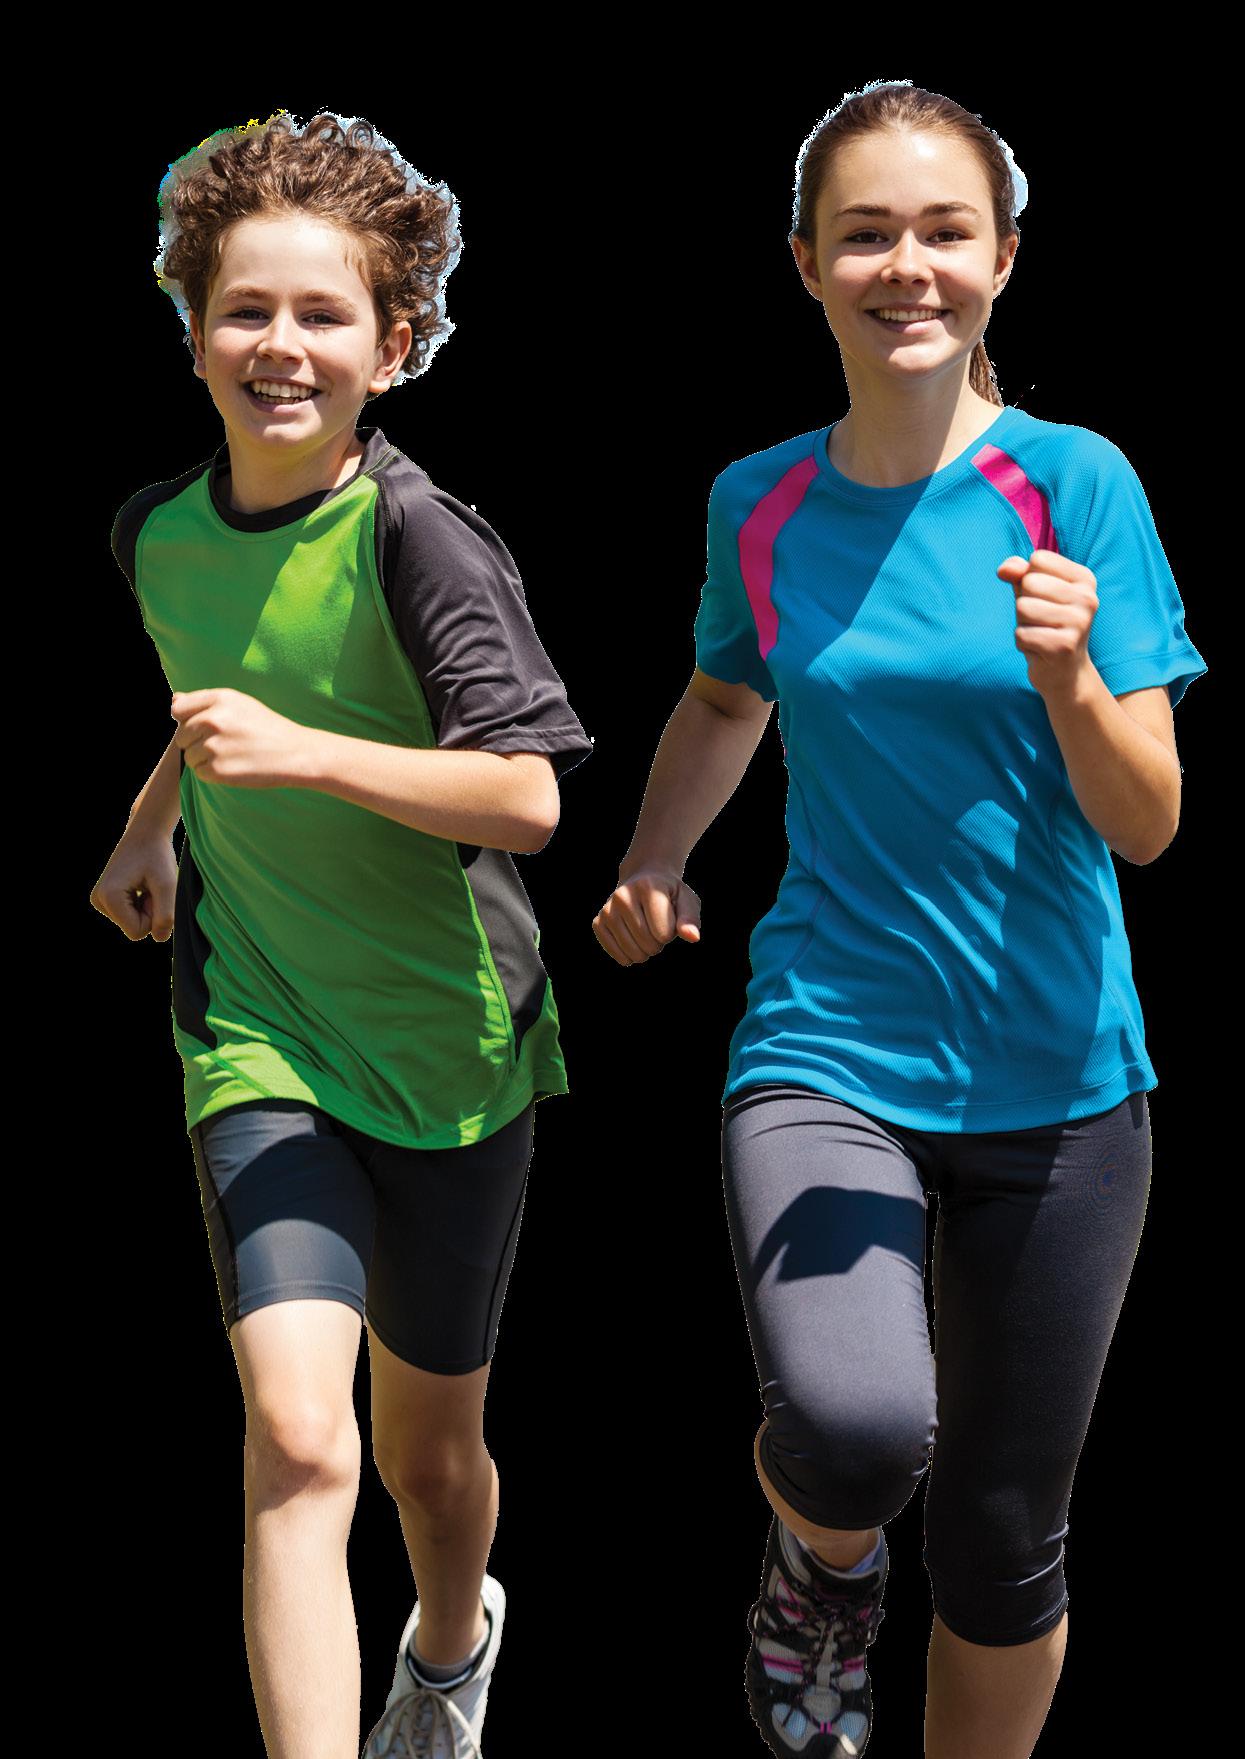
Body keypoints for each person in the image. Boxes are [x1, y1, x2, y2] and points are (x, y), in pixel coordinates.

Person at [591, 80, 1206, 1759]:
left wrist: (1071, 678)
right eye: (864, 234)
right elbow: (724, 695)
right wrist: (656, 860)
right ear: (805, 264)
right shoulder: (757, 500)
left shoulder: (1076, 484)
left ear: (1002, 258)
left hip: (1061, 1084)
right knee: (857, 1427)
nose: (905, 266)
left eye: (944, 231)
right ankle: (819, 1572)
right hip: (828, 1046)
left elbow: (1147, 824)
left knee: (1003, 1543)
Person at [89, 111, 593, 1759]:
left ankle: (449, 1649)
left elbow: (524, 798)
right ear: (192, 333)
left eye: (323, 315)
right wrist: (152, 821)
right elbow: (217, 700)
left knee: (426, 1461)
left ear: (392, 347)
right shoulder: (156, 532)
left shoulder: (416, 536)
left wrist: (302, 757)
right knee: (301, 1444)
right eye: (245, 310)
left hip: (450, 1055)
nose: (280, 346)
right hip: (258, 1033)